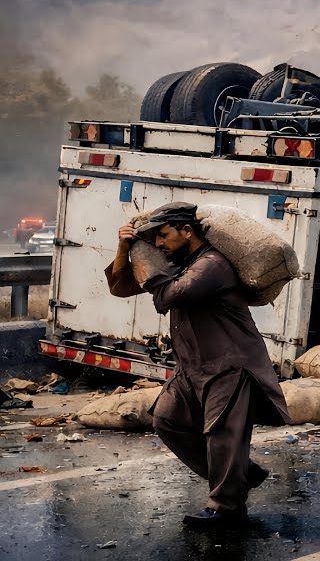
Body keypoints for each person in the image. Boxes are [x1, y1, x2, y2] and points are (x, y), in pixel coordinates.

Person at [106, 202, 290, 527]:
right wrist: (125, 247)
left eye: (163, 236)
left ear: (187, 231)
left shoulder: (211, 265)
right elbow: (121, 287)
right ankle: (241, 475)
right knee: (167, 420)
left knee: (222, 435)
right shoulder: (180, 264)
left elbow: (169, 297)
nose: (159, 244)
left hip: (229, 365)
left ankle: (226, 507)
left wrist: (149, 262)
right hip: (192, 367)